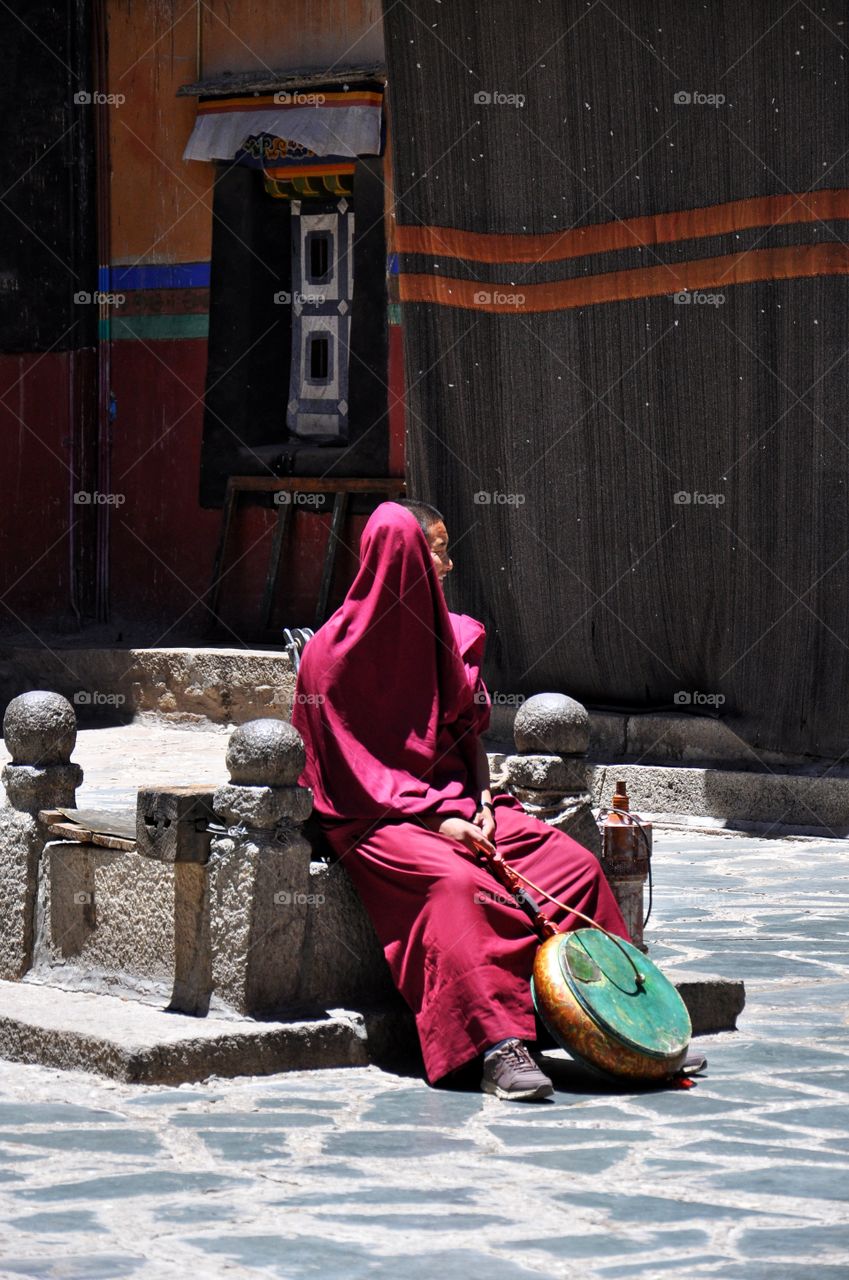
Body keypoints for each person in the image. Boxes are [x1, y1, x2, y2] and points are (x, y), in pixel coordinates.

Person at [291, 499, 630, 1101]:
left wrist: (480, 803)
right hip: (377, 821)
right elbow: (343, 775)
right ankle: (498, 1046)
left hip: (456, 804)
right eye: (438, 550)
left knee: (570, 866)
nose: (447, 563)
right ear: (404, 560)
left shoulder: (448, 639)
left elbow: (467, 738)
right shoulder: (329, 658)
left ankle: (618, 1021)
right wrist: (438, 822)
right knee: (456, 889)